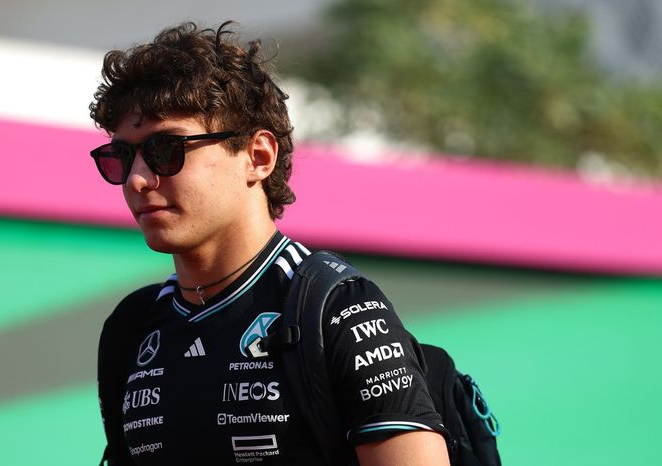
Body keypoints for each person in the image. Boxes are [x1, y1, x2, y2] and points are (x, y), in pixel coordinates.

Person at [90, 21, 450, 466]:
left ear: (258, 156)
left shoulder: (337, 307)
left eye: (166, 149)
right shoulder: (131, 327)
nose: (137, 180)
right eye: (123, 157)